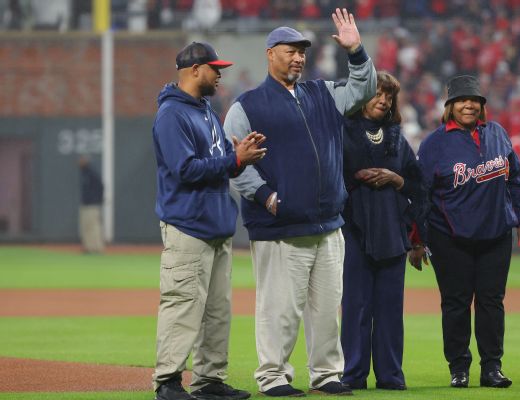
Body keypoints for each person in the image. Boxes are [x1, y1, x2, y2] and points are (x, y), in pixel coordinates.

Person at [223, 8, 376, 397]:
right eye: (290, 50)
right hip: (280, 228)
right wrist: (268, 198)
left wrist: (356, 50)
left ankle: (326, 374)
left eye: (302, 52)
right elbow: (236, 162)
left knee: (327, 310)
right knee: (279, 310)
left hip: (327, 224)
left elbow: (364, 89)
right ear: (270, 53)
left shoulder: (321, 93)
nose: (298, 57)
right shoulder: (248, 105)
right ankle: (273, 376)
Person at [152, 41, 267, 400]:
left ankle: (209, 380)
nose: (220, 74)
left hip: (216, 225)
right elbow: (185, 170)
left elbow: (218, 163)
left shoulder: (205, 110)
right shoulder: (172, 114)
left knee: (217, 312)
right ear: (194, 70)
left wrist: (236, 154)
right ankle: (168, 382)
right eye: (214, 68)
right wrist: (234, 161)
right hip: (187, 225)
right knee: (182, 305)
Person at [409, 75, 520, 389]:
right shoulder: (435, 142)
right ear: (450, 107)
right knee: (456, 302)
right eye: (461, 100)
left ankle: (492, 367)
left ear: (482, 106)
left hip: (495, 234)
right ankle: (459, 367)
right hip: (449, 237)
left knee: (492, 302)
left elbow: (515, 179)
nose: (469, 105)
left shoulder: (497, 134)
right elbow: (421, 194)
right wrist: (416, 239)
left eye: (474, 100)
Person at [339, 71, 424, 391]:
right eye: (378, 93)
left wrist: (396, 179)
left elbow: (418, 185)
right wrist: (356, 178)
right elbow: (333, 179)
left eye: (389, 96)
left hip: (391, 229)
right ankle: (353, 374)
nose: (384, 100)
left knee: (390, 309)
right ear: (360, 96)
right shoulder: (342, 131)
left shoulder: (398, 138)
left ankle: (390, 376)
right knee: (356, 306)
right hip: (353, 228)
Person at [78, 156, 104, 254]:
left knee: (94, 227)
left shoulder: (92, 172)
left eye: (82, 159)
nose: (79, 162)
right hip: (85, 204)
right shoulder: (84, 173)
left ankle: (97, 248)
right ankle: (88, 247)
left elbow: (101, 185)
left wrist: (98, 199)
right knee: (85, 227)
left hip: (93, 204)